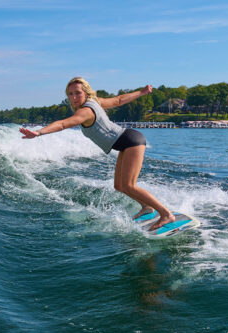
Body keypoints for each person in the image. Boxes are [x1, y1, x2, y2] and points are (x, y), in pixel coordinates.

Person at [19, 77, 175, 230]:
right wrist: (141, 92)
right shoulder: (95, 102)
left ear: (86, 93)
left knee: (129, 185)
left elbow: (62, 124)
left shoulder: (85, 111)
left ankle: (166, 214)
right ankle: (147, 207)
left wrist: (39, 132)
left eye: (78, 93)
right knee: (119, 186)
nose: (74, 97)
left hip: (131, 142)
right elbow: (119, 100)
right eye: (70, 94)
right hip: (125, 143)